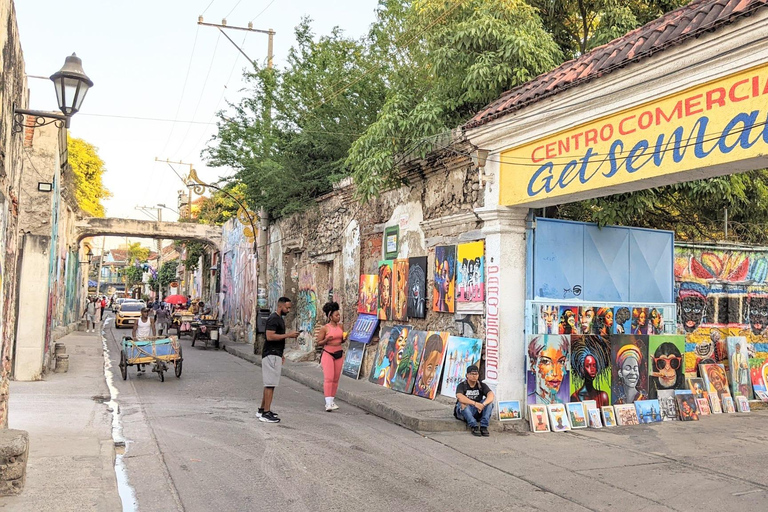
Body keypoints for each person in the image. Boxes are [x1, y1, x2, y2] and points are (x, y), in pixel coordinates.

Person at [259, 297, 299, 423]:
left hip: (275, 354)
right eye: (287, 308)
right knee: (270, 384)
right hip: (271, 354)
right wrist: (289, 335)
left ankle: (262, 409)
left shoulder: (279, 319)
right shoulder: (274, 319)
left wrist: (281, 354)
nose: (288, 310)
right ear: (280, 306)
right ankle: (266, 413)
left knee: (269, 384)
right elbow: (269, 336)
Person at [316, 301, 345, 412]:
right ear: (330, 316)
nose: (338, 317)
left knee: (336, 379)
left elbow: (341, 340)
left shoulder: (341, 326)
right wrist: (326, 340)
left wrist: (344, 338)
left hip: (338, 353)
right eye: (336, 315)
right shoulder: (325, 328)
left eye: (339, 315)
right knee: (329, 378)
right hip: (328, 353)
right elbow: (319, 342)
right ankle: (328, 403)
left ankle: (332, 400)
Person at [454, 365, 495, 437]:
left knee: (490, 403)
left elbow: (491, 395)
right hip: (464, 412)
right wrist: (475, 403)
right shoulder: (462, 385)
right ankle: (474, 426)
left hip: (478, 410)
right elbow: (460, 397)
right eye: (472, 374)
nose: (474, 376)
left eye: (476, 374)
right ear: (467, 375)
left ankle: (484, 426)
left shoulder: (481, 385)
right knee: (462, 404)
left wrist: (483, 404)